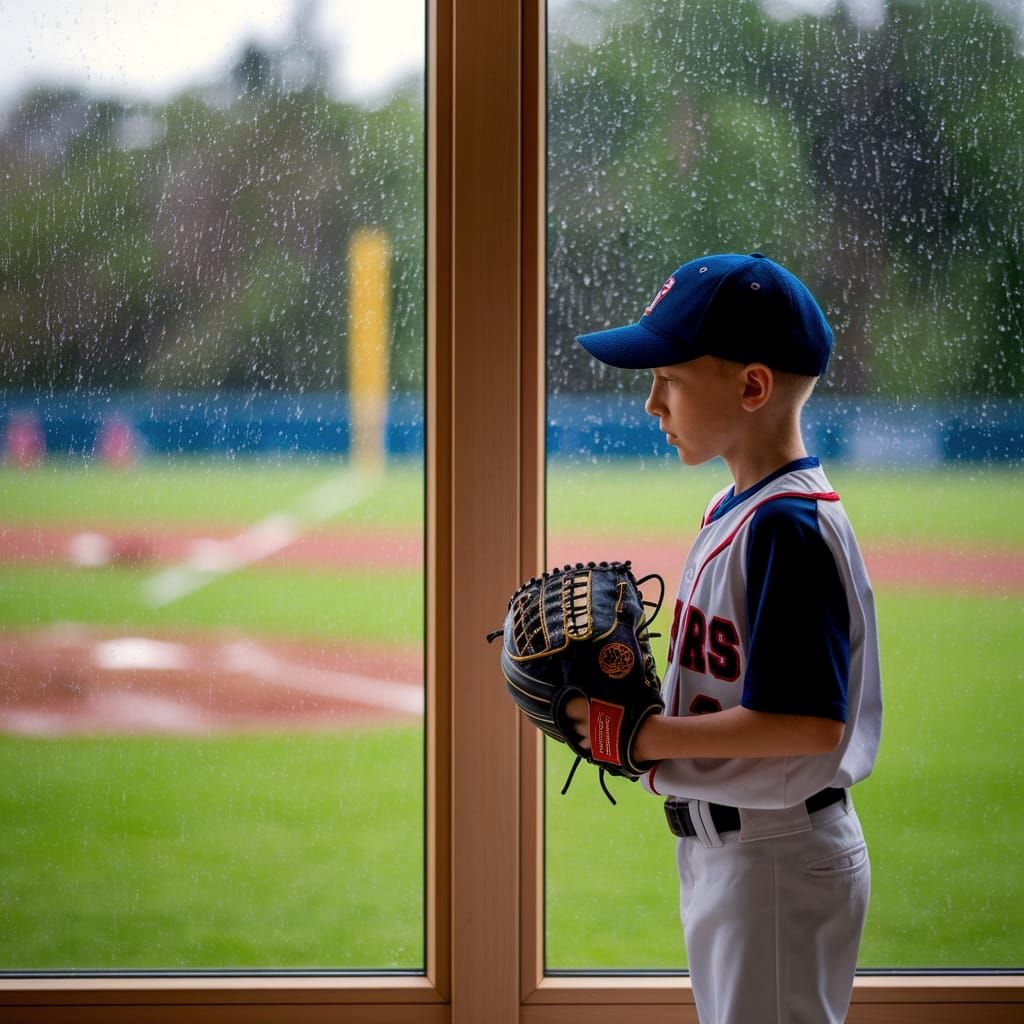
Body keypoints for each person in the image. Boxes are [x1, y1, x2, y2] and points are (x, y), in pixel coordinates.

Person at [569, 252, 883, 1024]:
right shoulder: (737, 506)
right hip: (742, 850)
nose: (652, 403)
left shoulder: (787, 527)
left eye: (668, 379)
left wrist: (644, 738)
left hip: (774, 856)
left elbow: (807, 722)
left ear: (752, 388)